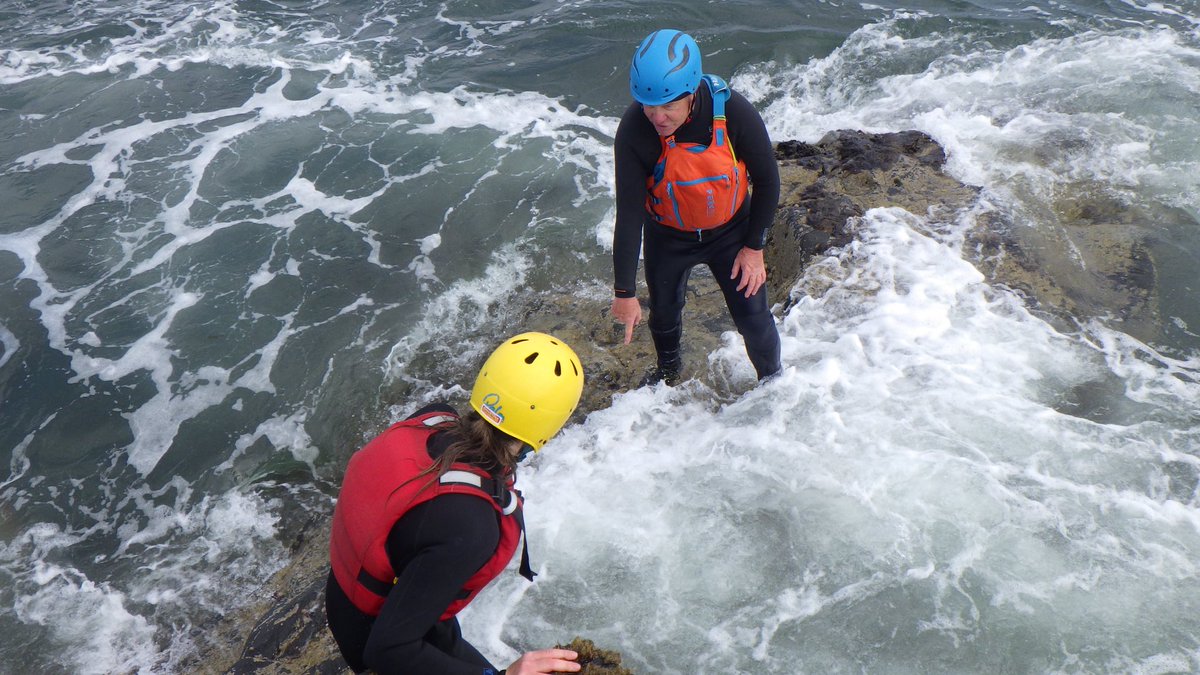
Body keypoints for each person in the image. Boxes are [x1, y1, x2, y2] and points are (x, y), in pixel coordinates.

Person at [325, 332, 585, 675]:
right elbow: (387, 651)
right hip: (375, 636)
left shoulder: (433, 420)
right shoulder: (473, 528)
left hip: (361, 597)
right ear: (548, 426)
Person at [611, 29, 782, 385]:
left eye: (668, 106)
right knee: (664, 316)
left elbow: (768, 181)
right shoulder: (634, 130)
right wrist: (624, 293)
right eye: (648, 105)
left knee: (754, 319)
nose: (657, 117)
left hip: (732, 232)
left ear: (690, 94)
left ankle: (773, 384)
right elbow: (629, 214)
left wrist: (754, 249)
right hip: (668, 238)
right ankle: (669, 378)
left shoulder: (733, 111)